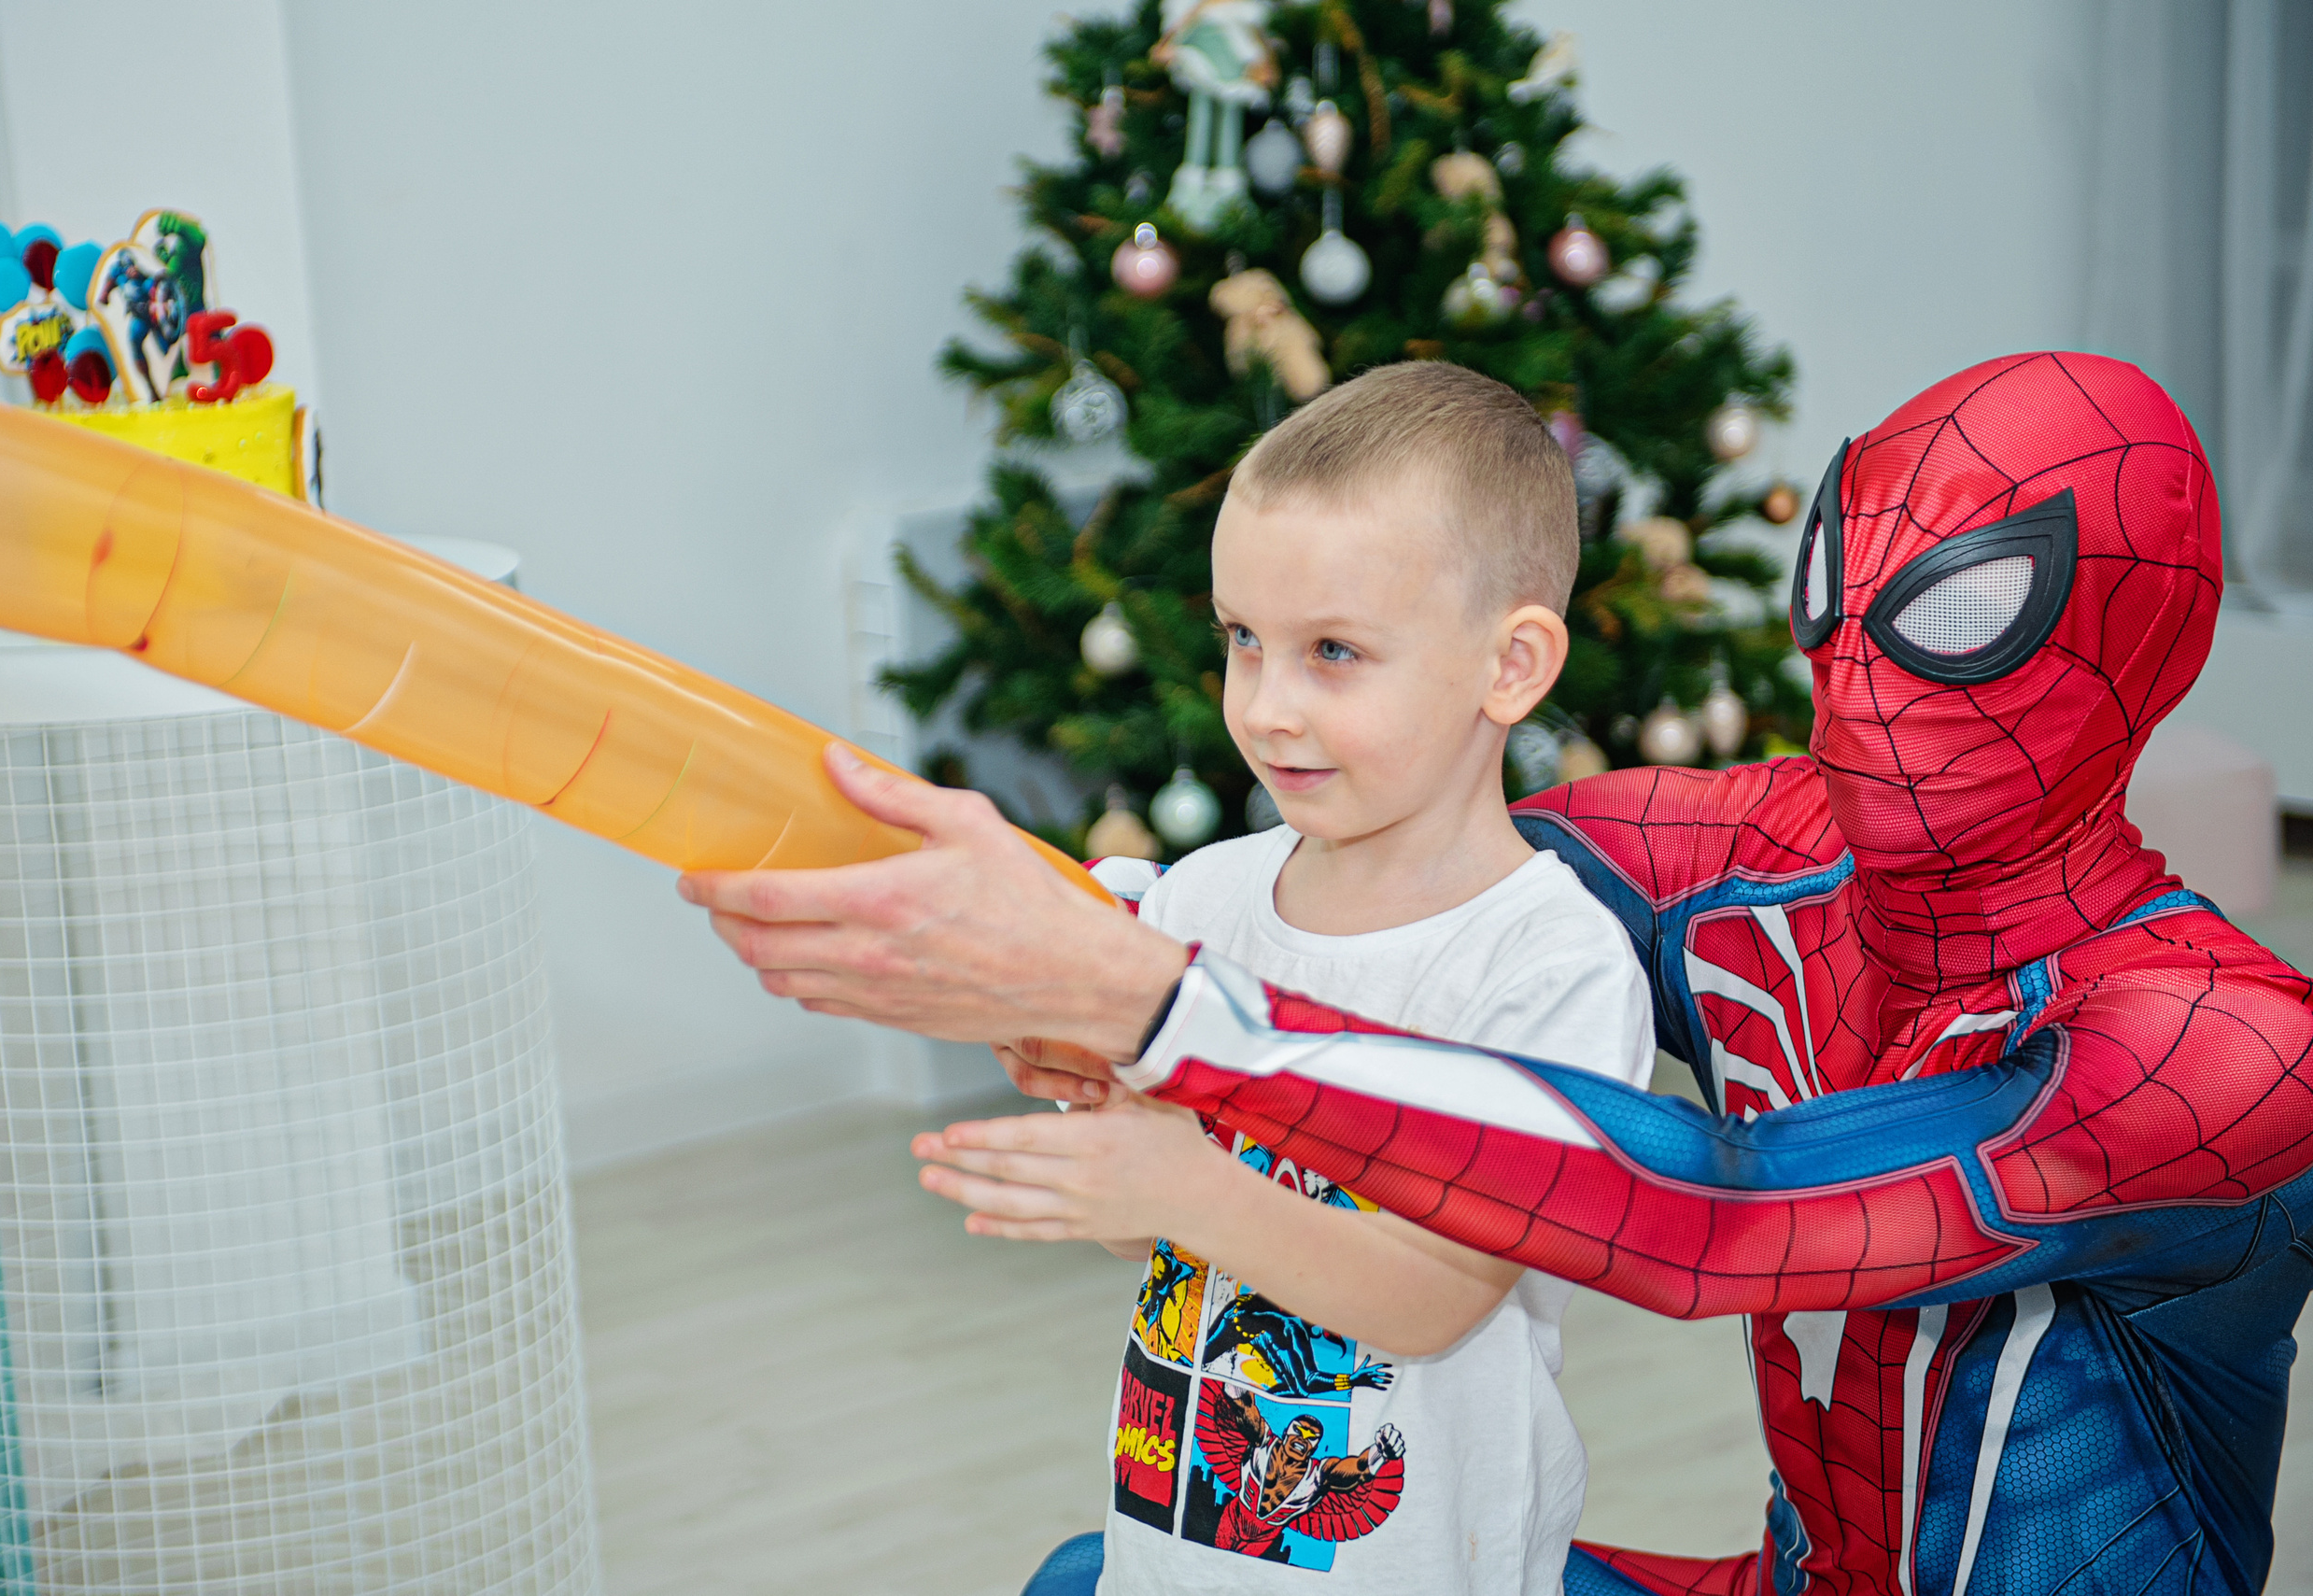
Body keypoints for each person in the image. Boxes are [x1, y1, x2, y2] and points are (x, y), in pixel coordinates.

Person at [680, 353, 2313, 1596]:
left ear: (2129, 636)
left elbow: (1715, 1214)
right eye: (1846, 596)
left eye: (1961, 613)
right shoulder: (1761, 850)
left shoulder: (2226, 1043)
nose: (1867, 674)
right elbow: (1402, 858)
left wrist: (1156, 1009)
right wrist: (1036, 924)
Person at [910, 364, 1654, 1592]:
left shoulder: (1548, 969)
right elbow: (1160, 1249)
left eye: (1334, 652)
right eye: (1243, 640)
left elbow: (1433, 1297)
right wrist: (1113, 1134)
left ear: (1510, 666)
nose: (1265, 706)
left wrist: (1181, 1177)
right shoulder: (1201, 900)